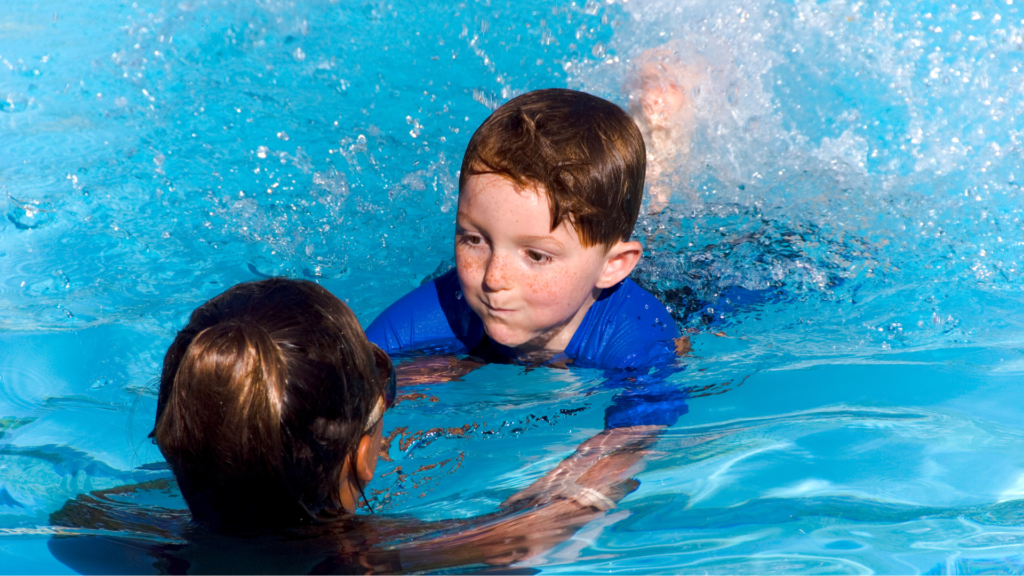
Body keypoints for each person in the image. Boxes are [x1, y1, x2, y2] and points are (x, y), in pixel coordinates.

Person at [47, 278, 650, 574]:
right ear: (365, 457)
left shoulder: (123, 541)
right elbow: (538, 527)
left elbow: (73, 519)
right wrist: (632, 434)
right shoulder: (378, 559)